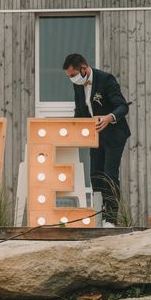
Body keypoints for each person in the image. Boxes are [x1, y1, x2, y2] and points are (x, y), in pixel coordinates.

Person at [62, 53, 131, 226]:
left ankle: (111, 219)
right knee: (96, 176)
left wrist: (109, 117)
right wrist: (70, 128)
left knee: (109, 175)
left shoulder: (106, 79)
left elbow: (122, 106)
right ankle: (99, 216)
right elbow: (80, 111)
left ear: (83, 69)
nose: (71, 79)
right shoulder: (78, 85)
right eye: (69, 77)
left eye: (73, 75)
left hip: (114, 134)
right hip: (95, 136)